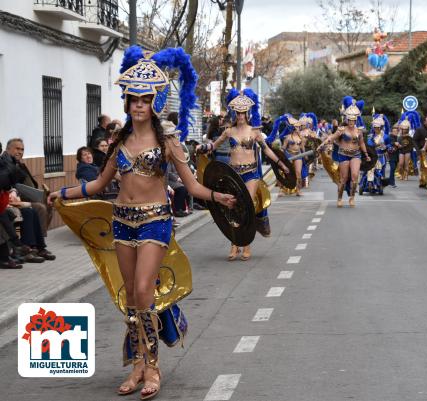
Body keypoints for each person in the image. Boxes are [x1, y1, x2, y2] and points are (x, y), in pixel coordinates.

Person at [48, 46, 235, 399]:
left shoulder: (168, 141)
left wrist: (218, 197)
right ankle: (136, 365)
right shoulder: (118, 141)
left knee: (145, 291)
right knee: (130, 296)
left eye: (145, 99)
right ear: (127, 102)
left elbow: (191, 185)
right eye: (134, 99)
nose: (139, 105)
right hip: (121, 222)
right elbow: (102, 184)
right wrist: (65, 194)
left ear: (154, 103)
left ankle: (152, 367)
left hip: (155, 222)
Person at [202, 88, 289, 261]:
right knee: (232, 208)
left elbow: (267, 151)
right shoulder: (228, 131)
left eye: (243, 112)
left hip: (251, 174)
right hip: (233, 174)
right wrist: (203, 147)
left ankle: (246, 244)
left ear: (247, 112)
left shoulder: (255, 131)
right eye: (238, 112)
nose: (241, 115)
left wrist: (281, 164)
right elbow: (214, 145)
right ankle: (235, 244)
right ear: (234, 113)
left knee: (245, 206)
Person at [317, 96, 370, 207]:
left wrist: (366, 154)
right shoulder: (341, 130)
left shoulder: (359, 131)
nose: (351, 121)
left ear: (355, 120)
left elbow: (361, 143)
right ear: (347, 119)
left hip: (356, 155)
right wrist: (322, 145)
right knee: (344, 178)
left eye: (353, 120)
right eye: (349, 119)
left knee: (355, 176)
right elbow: (331, 137)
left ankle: (352, 197)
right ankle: (340, 198)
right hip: (343, 155)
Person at [1, 138, 52, 236]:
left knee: (49, 204)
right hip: (13, 200)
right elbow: (12, 185)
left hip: (24, 196)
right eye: (17, 149)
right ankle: (39, 243)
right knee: (40, 208)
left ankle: (39, 239)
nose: (20, 152)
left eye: (22, 150)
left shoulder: (18, 164)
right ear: (7, 149)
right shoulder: (5, 164)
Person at [359, 113, 390, 195]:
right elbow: (367, 145)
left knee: (379, 173)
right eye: (375, 127)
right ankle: (363, 184)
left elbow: (389, 145)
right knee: (366, 171)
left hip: (381, 157)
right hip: (372, 156)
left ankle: (380, 185)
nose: (376, 129)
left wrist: (386, 147)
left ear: (381, 127)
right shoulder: (370, 136)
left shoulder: (385, 136)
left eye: (378, 127)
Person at [414, 115, 427, 188]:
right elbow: (414, 140)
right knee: (423, 168)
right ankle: (423, 182)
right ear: (424, 122)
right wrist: (418, 152)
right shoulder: (419, 130)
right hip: (422, 152)